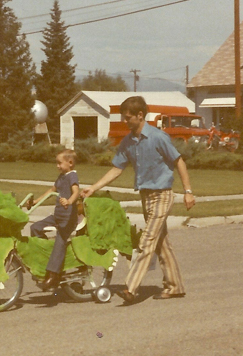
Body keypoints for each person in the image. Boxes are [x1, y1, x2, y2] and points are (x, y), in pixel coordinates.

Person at [81, 95, 196, 304]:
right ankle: (175, 285)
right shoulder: (128, 142)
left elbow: (179, 162)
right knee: (161, 243)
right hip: (146, 195)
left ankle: (131, 288)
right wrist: (93, 188)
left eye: (128, 118)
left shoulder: (158, 137)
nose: (125, 122)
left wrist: (188, 191)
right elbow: (117, 168)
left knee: (146, 241)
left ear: (140, 115)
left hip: (162, 194)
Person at [30, 149, 80, 290]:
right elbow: (51, 190)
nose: (57, 166)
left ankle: (53, 275)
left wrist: (69, 201)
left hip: (68, 218)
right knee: (35, 228)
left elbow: (76, 192)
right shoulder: (61, 176)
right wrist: (36, 201)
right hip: (57, 216)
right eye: (56, 163)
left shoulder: (72, 176)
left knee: (60, 239)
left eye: (59, 163)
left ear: (70, 163)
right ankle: (47, 256)